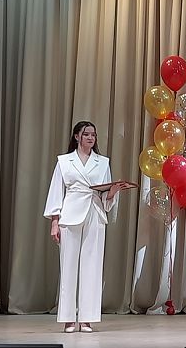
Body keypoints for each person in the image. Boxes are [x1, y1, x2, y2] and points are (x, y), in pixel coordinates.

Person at [43, 121, 131, 333]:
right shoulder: (64, 161)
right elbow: (56, 192)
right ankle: (68, 318)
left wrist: (113, 192)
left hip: (94, 212)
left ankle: (87, 318)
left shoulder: (102, 162)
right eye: (86, 134)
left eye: (93, 135)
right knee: (68, 267)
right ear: (77, 137)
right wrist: (55, 222)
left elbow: (105, 195)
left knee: (92, 267)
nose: (91, 138)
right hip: (70, 214)